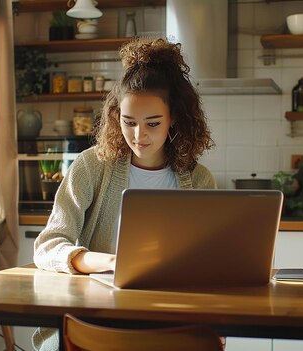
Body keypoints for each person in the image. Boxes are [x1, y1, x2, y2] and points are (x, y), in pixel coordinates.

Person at [31, 37, 216, 350]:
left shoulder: (198, 180)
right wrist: (107, 261)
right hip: (98, 317)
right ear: (117, 117)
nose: (139, 135)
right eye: (129, 122)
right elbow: (47, 247)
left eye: (153, 123)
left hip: (170, 317)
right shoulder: (92, 166)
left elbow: (210, 261)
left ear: (174, 119)